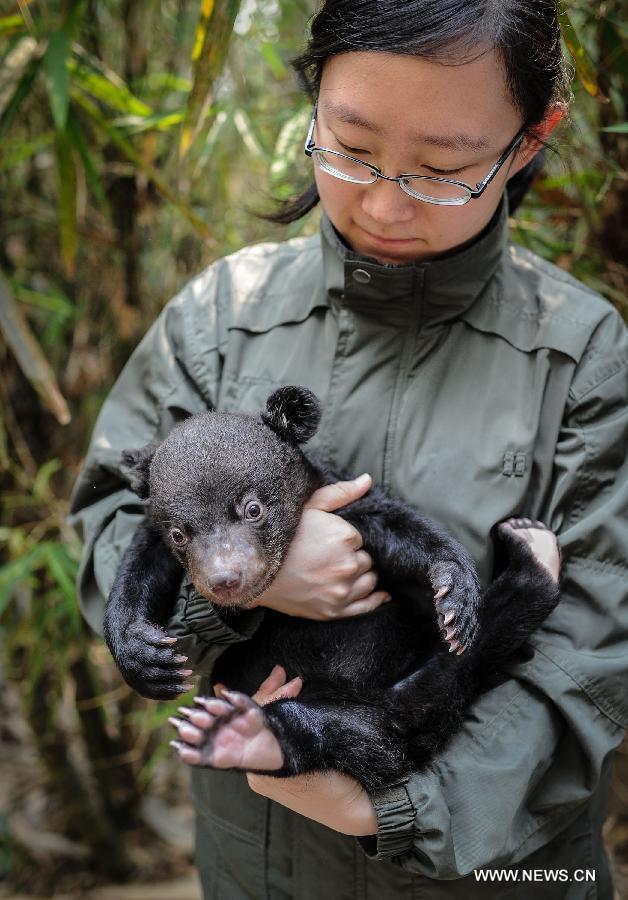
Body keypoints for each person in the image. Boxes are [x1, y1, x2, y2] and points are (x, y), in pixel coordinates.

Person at [70, 1, 628, 897]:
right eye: (351, 146)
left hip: (495, 871)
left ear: (529, 142)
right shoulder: (222, 317)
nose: (382, 202)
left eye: (442, 168)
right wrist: (250, 592)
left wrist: (400, 805)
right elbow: (108, 526)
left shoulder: (583, 354)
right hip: (262, 866)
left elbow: (596, 650)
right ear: (314, 96)